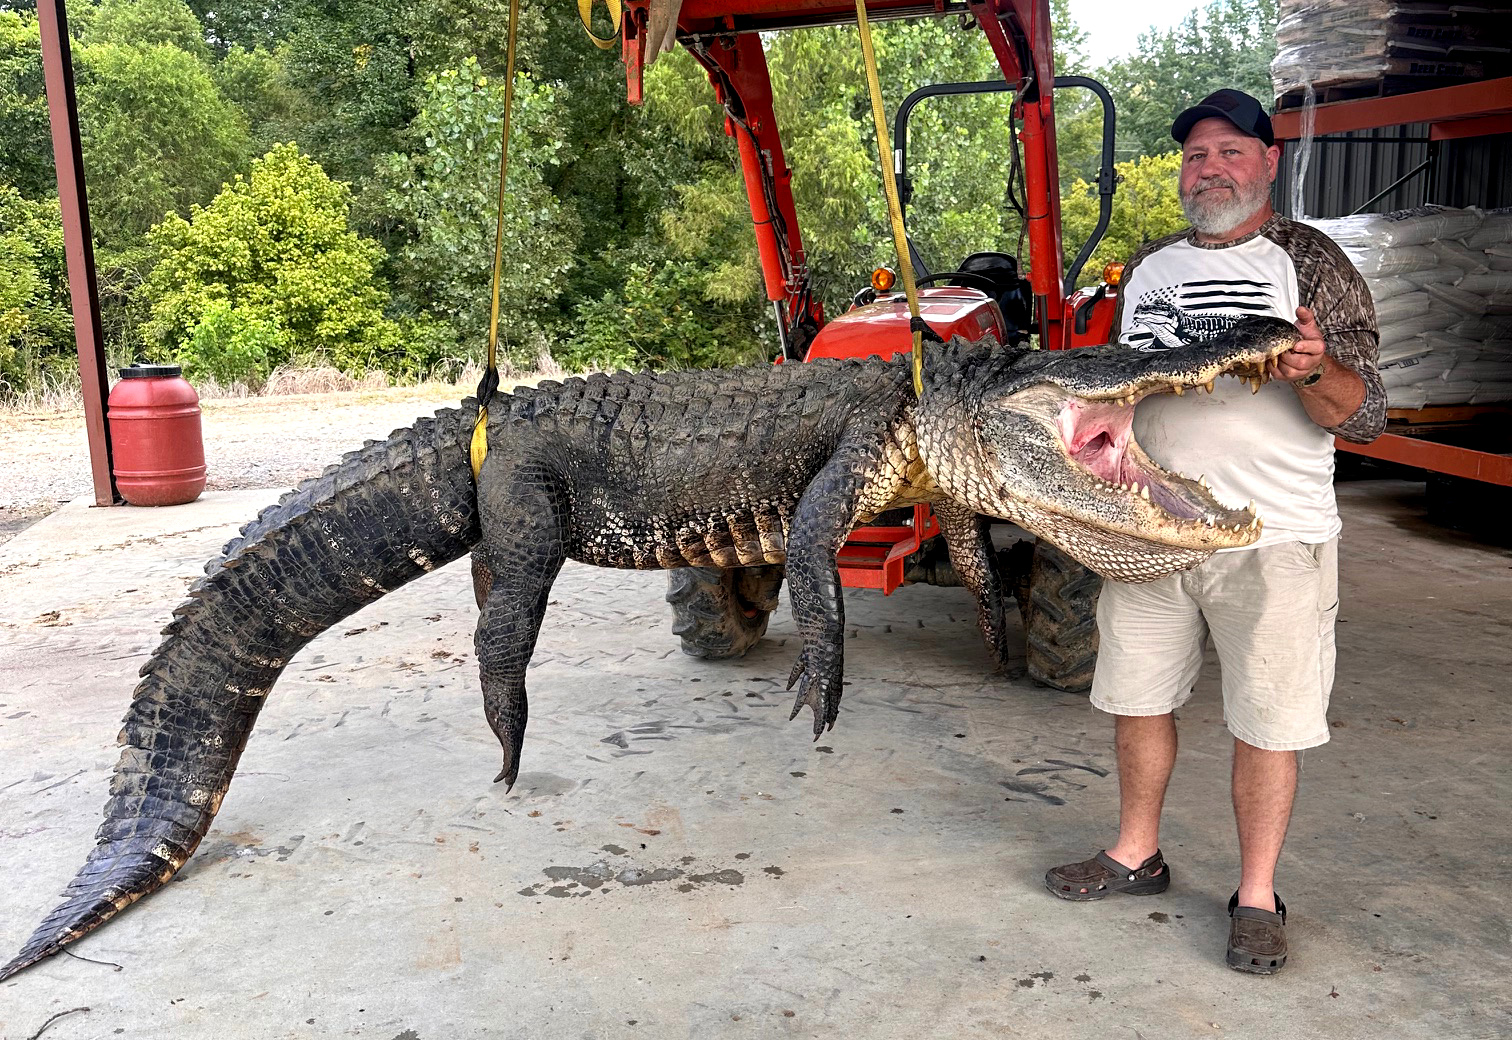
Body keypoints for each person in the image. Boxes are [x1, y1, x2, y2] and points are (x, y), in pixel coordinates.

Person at [1042, 88, 1386, 975]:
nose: (1211, 168)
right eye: (1197, 155)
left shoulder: (1311, 264)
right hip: (1156, 526)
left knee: (1266, 721)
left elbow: (1365, 413)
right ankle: (1134, 854)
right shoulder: (1151, 268)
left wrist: (1314, 368)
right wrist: (1101, 422)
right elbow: (1130, 379)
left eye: (1232, 151)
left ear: (1268, 163)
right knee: (1135, 696)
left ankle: (1259, 896)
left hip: (1273, 536)